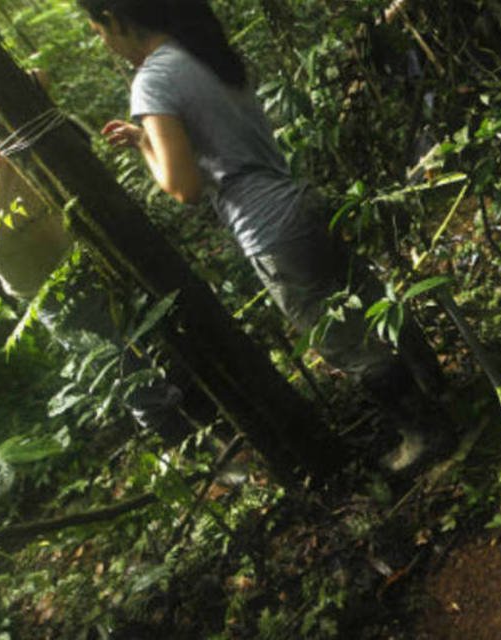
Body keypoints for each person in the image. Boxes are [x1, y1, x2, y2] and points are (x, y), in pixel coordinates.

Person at [77, 0, 449, 471]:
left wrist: (146, 150)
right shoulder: (203, 50)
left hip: (269, 229)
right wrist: (144, 137)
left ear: (115, 18)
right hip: (301, 201)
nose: (104, 43)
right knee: (369, 299)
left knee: (342, 341)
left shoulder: (152, 79)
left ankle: (425, 435)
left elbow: (183, 187)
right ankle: (438, 385)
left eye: (99, 31)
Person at [0, 92, 188, 439]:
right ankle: (197, 456)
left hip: (97, 254)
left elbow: (36, 78)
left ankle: (226, 432)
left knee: (175, 344)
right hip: (57, 295)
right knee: (136, 383)